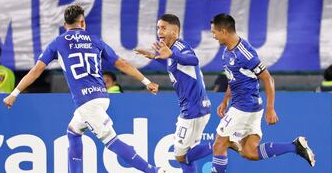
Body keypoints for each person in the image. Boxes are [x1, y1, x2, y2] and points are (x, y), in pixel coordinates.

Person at [3, 4, 165, 173]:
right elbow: (122, 64)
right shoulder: (95, 40)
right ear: (83, 23)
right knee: (73, 131)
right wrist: (147, 82)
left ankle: (153, 171)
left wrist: (14, 94)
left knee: (111, 140)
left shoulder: (58, 43)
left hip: (87, 102)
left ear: (65, 25)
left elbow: (36, 71)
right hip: (101, 95)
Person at [209, 13, 315, 172]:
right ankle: (295, 147)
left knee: (219, 144)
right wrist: (225, 100)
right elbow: (233, 79)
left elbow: (268, 79)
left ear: (224, 31)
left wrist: (271, 108)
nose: (213, 36)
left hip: (244, 108)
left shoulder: (245, 53)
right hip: (244, 107)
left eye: (214, 32)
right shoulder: (227, 52)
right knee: (249, 153)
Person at [135, 14, 213, 173]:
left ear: (175, 31)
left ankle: (222, 143)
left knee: (180, 155)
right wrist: (155, 56)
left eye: (163, 28)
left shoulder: (179, 47)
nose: (159, 32)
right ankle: (222, 143)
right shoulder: (171, 50)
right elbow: (174, 61)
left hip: (193, 110)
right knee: (187, 156)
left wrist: (170, 54)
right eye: (158, 28)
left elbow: (193, 60)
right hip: (195, 108)